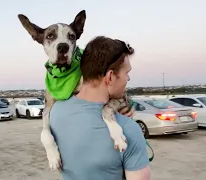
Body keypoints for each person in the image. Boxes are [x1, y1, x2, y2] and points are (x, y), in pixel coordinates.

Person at [49, 36, 151, 180]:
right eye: (127, 73)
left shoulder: (55, 112)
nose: (128, 79)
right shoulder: (127, 129)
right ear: (110, 77)